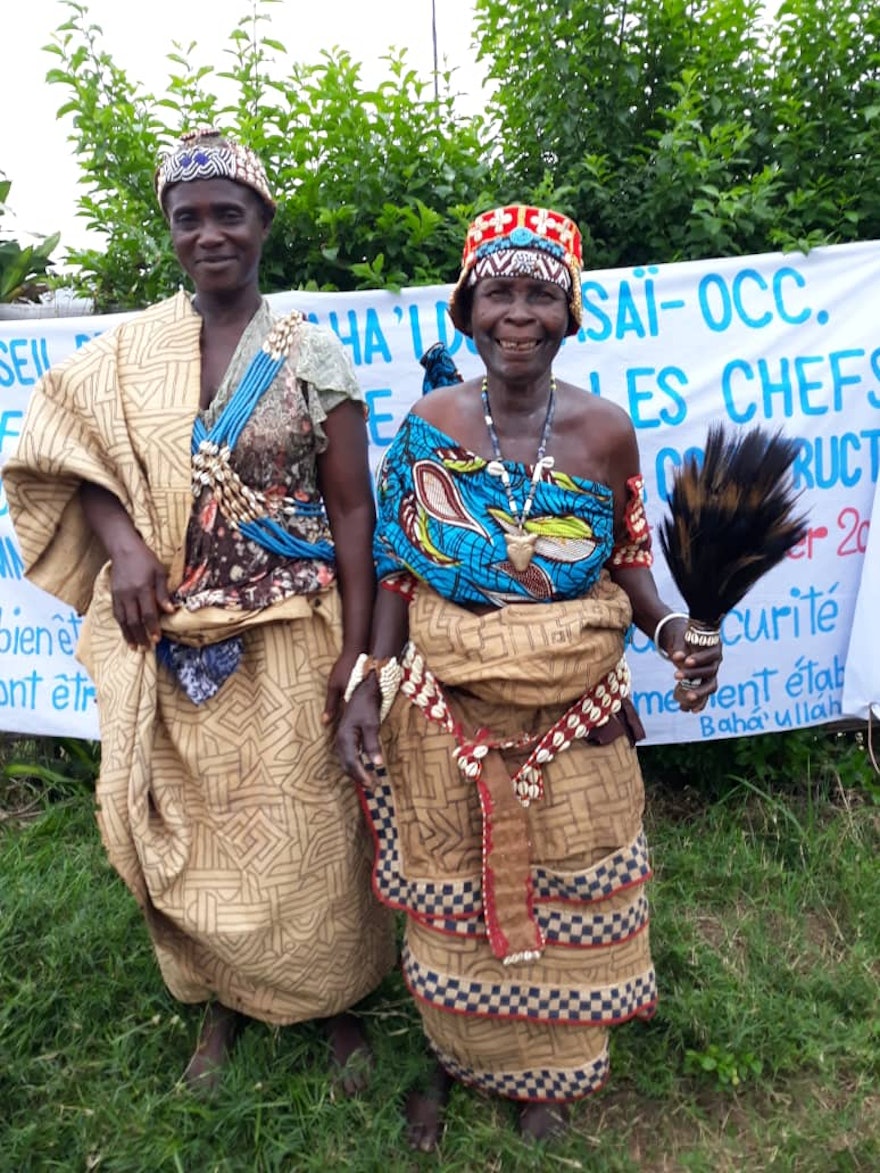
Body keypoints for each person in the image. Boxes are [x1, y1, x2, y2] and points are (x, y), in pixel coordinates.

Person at [5, 128, 395, 1093]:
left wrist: (359, 659)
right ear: (170, 234)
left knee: (312, 830)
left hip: (293, 630)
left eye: (230, 214)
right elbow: (67, 445)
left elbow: (353, 508)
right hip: (175, 640)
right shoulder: (131, 351)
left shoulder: (311, 353)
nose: (209, 234)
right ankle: (222, 1000)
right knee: (198, 828)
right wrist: (126, 544)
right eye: (189, 220)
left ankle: (334, 1002)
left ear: (263, 223)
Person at [336, 205, 722, 1148]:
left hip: (571, 718)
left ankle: (541, 1073)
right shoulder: (428, 426)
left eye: (541, 293)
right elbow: (396, 566)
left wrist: (674, 630)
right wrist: (365, 679)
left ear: (570, 310)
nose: (520, 313)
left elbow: (628, 564)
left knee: (565, 894)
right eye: (499, 292)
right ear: (467, 309)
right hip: (446, 712)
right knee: (451, 897)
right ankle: (447, 1053)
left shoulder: (605, 432)